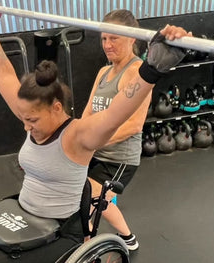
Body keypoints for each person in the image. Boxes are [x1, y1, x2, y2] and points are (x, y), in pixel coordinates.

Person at [0, 2, 190, 263]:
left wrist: (151, 70)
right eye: (24, 118)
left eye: (32, 120)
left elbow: (118, 113)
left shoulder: (78, 137)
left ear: (56, 108)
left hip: (58, 232)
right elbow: (2, 71)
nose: (25, 125)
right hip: (24, 213)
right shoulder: (32, 111)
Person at [82, 9, 152, 250]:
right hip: (95, 151)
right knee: (92, 198)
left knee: (89, 203)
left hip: (119, 159)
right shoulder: (104, 72)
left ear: (132, 38)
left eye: (114, 38)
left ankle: (82, 253)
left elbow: (133, 125)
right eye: (104, 39)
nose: (107, 45)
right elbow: (88, 112)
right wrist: (78, 139)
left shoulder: (136, 72)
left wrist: (94, 141)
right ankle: (129, 239)